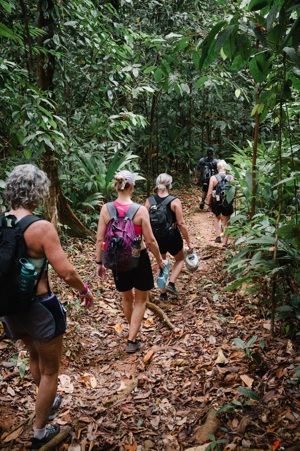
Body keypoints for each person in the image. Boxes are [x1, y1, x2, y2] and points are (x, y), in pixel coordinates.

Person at [0, 164, 94, 450]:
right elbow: (66, 272)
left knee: (33, 354)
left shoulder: (2, 222)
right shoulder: (41, 227)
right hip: (41, 306)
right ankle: (40, 432)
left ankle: (46, 400)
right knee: (51, 370)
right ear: (38, 192)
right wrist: (84, 290)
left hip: (11, 309)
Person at [96, 170, 165, 354]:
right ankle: (132, 338)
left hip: (117, 260)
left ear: (116, 186)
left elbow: (99, 239)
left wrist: (99, 263)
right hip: (138, 258)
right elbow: (150, 241)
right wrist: (159, 261)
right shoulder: (140, 210)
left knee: (127, 298)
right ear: (132, 186)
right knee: (141, 300)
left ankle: (133, 332)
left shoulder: (106, 209)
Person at [145, 173, 193, 301]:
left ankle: (163, 293)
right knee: (180, 259)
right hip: (172, 236)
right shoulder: (174, 201)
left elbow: (145, 222)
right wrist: (189, 242)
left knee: (162, 262)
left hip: (156, 238)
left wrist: (146, 240)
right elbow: (181, 224)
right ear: (169, 185)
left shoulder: (149, 201)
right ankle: (171, 283)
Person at [206, 160, 235, 246]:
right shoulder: (231, 178)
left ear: (217, 168)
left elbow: (209, 193)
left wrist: (209, 204)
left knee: (217, 217)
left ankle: (218, 236)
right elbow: (234, 192)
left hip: (217, 203)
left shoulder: (213, 178)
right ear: (226, 168)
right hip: (227, 202)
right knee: (226, 223)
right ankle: (225, 243)